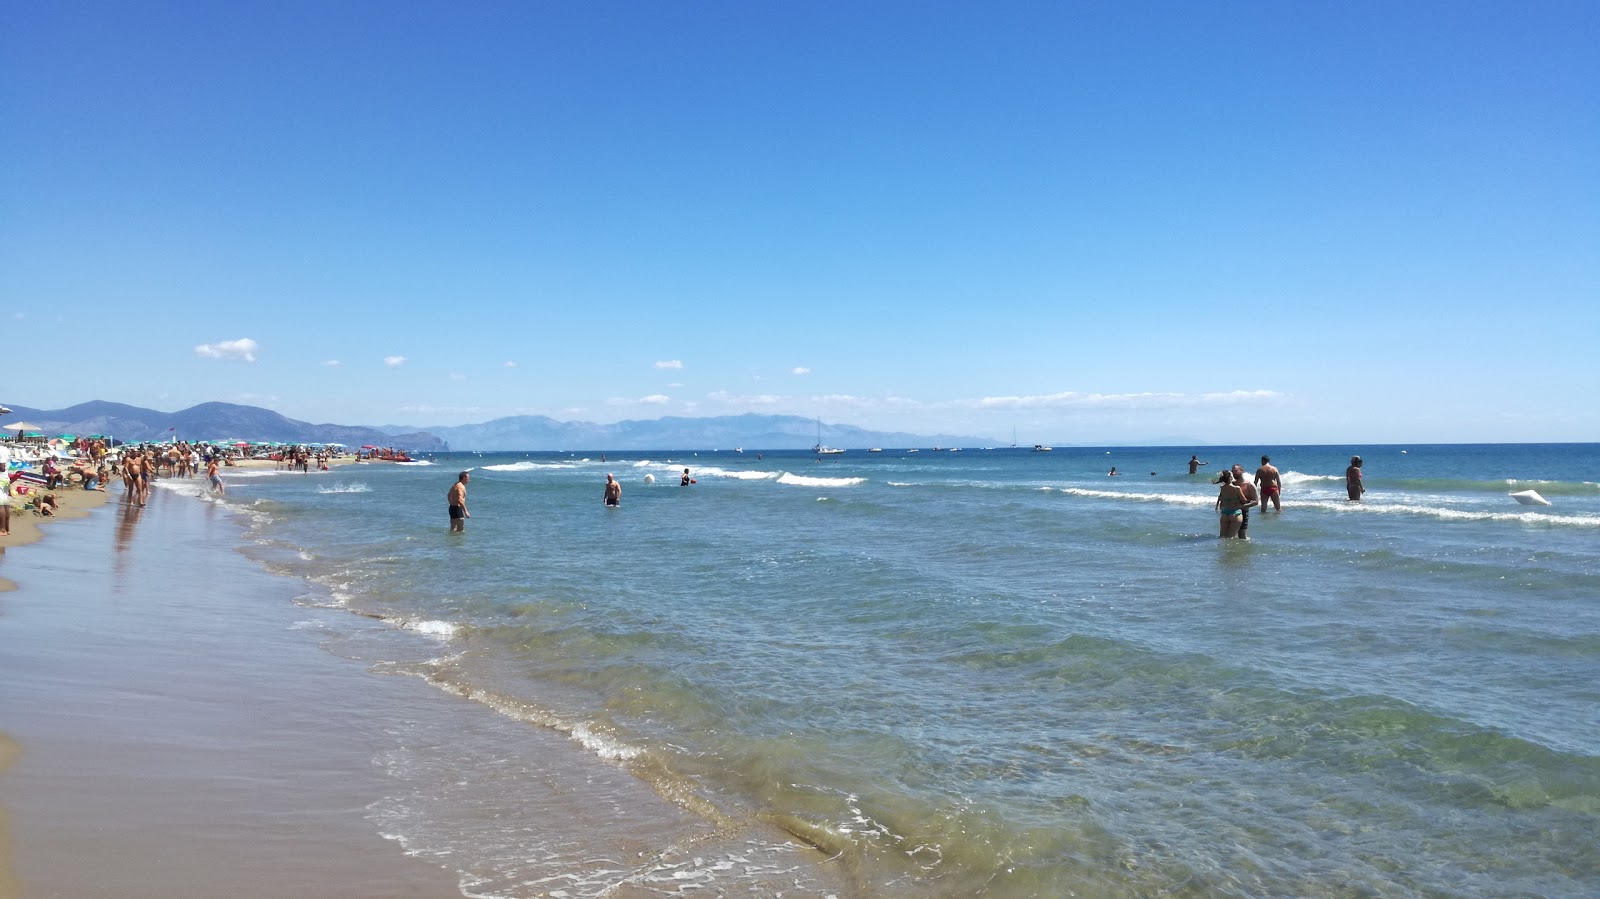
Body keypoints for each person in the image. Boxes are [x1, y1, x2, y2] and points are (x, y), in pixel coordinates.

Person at [1214, 470, 1247, 538]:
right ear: (1230, 478)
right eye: (1232, 476)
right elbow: (1244, 500)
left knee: (1222, 537)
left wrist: (1217, 506)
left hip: (1224, 513)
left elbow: (1220, 498)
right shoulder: (1237, 488)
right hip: (1235, 513)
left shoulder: (1222, 488)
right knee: (1231, 537)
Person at [1231, 464, 1259, 539]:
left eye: (1236, 471)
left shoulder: (1249, 485)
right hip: (1230, 512)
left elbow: (1256, 501)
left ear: (1242, 471)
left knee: (1242, 536)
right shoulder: (1231, 484)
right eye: (1232, 471)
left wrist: (1242, 506)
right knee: (1229, 535)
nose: (1234, 473)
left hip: (1243, 512)